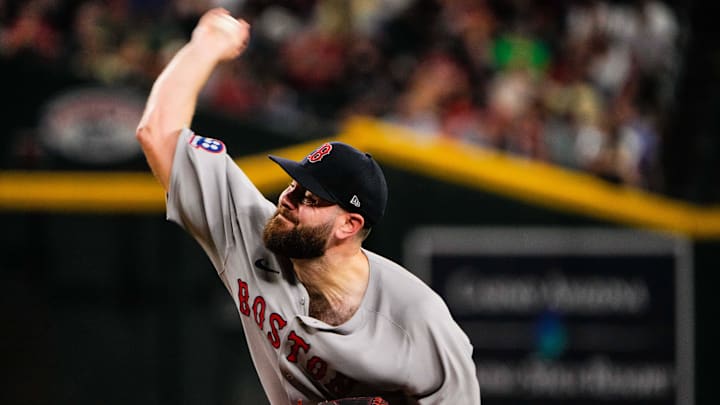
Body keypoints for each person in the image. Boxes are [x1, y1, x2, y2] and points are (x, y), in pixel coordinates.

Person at [135, 8, 480, 405]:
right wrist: (205, 45)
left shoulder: (416, 319)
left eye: (311, 197)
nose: (288, 199)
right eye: (293, 185)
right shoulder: (255, 233)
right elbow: (157, 132)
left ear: (349, 225)